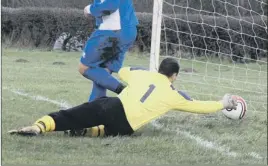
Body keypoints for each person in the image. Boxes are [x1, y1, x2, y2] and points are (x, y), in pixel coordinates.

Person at [8, 58, 237, 137]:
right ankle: (90, 132)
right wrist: (222, 103)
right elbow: (198, 106)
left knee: (73, 114)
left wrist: (134, 70)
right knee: (112, 130)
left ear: (158, 69)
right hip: (127, 127)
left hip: (114, 106)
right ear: (174, 76)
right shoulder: (173, 95)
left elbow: (124, 70)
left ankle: (39, 127)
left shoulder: (142, 74)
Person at [79, 0, 164, 102]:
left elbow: (110, 5)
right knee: (102, 75)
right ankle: (94, 112)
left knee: (85, 67)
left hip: (112, 32)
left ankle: (127, 94)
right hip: (128, 30)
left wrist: (89, 9)